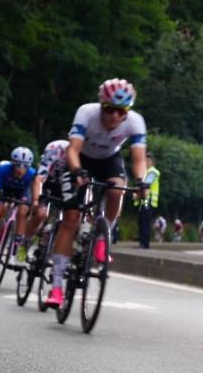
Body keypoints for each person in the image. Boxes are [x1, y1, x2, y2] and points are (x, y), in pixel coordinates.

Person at [45, 79, 148, 308]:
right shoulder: (86, 113)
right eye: (109, 109)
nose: (114, 116)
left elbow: (139, 159)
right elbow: (72, 149)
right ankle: (57, 287)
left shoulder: (135, 121)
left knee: (116, 191)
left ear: (127, 112)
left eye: (120, 111)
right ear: (101, 105)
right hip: (80, 159)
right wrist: (77, 170)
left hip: (109, 159)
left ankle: (102, 235)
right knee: (70, 219)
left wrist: (141, 182)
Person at [21, 140, 69, 263]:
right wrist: (37, 200)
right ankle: (23, 245)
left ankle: (47, 245)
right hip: (47, 182)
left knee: (69, 219)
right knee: (41, 214)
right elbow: (39, 178)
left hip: (66, 187)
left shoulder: (88, 155)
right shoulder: (56, 149)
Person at [0, 148, 36, 262]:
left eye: (25, 166)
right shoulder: (3, 169)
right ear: (12, 164)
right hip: (6, 191)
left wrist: (33, 203)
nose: (21, 169)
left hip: (23, 193)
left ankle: (15, 249)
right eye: (18, 165)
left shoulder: (32, 173)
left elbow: (33, 193)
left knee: (23, 211)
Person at [136, 152, 160, 248]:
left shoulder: (153, 171)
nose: (145, 162)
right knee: (141, 220)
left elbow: (146, 183)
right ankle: (142, 242)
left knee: (145, 220)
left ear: (151, 161)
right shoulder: (146, 172)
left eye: (147, 160)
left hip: (147, 200)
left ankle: (145, 243)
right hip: (143, 200)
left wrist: (139, 184)